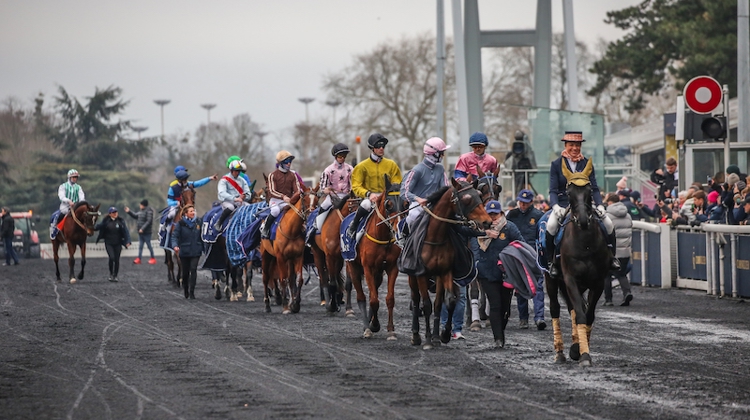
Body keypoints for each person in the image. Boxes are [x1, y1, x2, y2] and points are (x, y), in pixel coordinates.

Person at [545, 131, 619, 277]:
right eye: (571, 145)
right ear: (565, 145)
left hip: (584, 203)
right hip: (563, 203)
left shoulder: (586, 163)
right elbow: (553, 190)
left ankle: (612, 258)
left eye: (577, 145)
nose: (574, 148)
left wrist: (599, 205)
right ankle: (551, 262)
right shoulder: (556, 164)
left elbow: (595, 188)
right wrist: (555, 206)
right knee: (551, 226)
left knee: (609, 223)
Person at [475, 200, 524, 348]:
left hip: (506, 274)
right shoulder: (480, 229)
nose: (493, 217)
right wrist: (477, 263)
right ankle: (498, 338)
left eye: (495, 214)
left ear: (501, 213)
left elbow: (520, 244)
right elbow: (474, 247)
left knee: (505, 308)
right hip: (487, 273)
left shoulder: (509, 227)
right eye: (490, 214)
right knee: (495, 305)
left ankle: (500, 331)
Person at [346, 133, 403, 237]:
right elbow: (356, 186)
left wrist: (391, 192)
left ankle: (405, 233)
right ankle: (353, 227)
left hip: (387, 196)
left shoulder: (391, 164)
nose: (381, 148)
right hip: (370, 197)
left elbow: (397, 182)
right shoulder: (361, 167)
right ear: (372, 148)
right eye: (378, 146)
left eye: (383, 146)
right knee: (365, 205)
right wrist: (368, 194)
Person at [505, 189, 546, 330]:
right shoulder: (512, 215)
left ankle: (539, 317)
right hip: (517, 255)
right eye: (521, 202)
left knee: (538, 286)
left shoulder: (539, 215)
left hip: (534, 256)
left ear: (531, 202)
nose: (522, 205)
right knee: (520, 286)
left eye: (525, 203)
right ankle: (523, 318)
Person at [263, 150, 302, 237]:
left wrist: (295, 196)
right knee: (275, 211)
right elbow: (272, 191)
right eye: (286, 162)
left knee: (299, 212)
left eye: (290, 162)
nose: (289, 164)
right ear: (280, 163)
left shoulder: (293, 175)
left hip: (289, 201)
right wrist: (283, 196)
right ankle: (266, 229)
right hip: (275, 201)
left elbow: (297, 189)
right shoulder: (272, 175)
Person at [603, 194, 633, 306]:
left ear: (610, 202)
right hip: (625, 250)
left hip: (611, 251)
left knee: (606, 275)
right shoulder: (628, 215)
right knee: (621, 274)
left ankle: (608, 300)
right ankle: (627, 292)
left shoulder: (607, 216)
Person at [172, 205, 203, 299]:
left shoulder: (198, 222)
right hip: (184, 251)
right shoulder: (180, 224)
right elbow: (175, 236)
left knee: (193, 269)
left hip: (196, 250)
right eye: (191, 211)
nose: (193, 213)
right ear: (186, 213)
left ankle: (192, 291)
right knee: (185, 273)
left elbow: (202, 235)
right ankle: (186, 289)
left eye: (194, 211)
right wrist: (175, 245)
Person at [317, 143, 353, 224]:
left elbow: (353, 183)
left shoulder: (350, 169)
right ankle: (316, 225)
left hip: (347, 196)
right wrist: (325, 190)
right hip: (333, 197)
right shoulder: (328, 170)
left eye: (344, 156)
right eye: (340, 156)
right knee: (324, 205)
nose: (343, 158)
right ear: (335, 156)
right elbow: (322, 186)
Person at [94, 207, 131, 282]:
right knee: (112, 257)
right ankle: (111, 273)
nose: (115, 214)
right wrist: (91, 227)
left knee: (117, 260)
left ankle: (115, 275)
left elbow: (126, 232)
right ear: (110, 214)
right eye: (113, 212)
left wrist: (128, 241)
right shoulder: (106, 221)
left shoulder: (120, 221)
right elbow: (99, 226)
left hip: (118, 243)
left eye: (116, 212)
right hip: (109, 243)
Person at [214, 160, 252, 231]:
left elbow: (248, 194)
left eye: (239, 171)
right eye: (236, 171)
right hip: (227, 201)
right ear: (231, 170)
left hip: (240, 202)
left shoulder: (242, 180)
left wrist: (244, 196)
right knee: (231, 207)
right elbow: (222, 193)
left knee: (250, 207)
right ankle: (219, 223)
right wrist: (235, 198)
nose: (238, 173)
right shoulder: (224, 180)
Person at [51, 169, 86, 240]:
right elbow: (61, 196)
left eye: (76, 177)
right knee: (61, 214)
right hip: (66, 206)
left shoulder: (78, 187)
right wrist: (68, 201)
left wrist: (81, 203)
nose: (75, 179)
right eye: (73, 177)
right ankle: (55, 229)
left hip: (76, 206)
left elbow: (82, 197)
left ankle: (86, 230)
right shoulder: (63, 186)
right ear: (69, 178)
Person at [125, 199, 156, 265]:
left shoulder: (149, 212)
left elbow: (149, 221)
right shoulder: (141, 212)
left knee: (149, 245)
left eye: (140, 204)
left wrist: (142, 229)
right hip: (140, 233)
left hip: (147, 232)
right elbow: (135, 215)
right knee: (140, 246)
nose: (140, 206)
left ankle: (153, 258)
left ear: (143, 205)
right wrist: (129, 211)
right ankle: (139, 258)